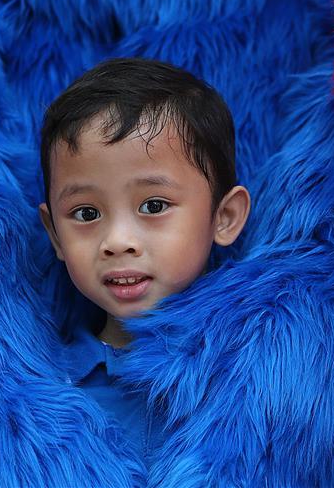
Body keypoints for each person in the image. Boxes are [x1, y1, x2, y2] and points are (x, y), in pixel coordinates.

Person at [37, 57, 251, 469]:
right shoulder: (44, 390)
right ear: (55, 235)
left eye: (153, 205)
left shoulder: (254, 369)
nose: (118, 242)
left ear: (224, 217)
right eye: (86, 213)